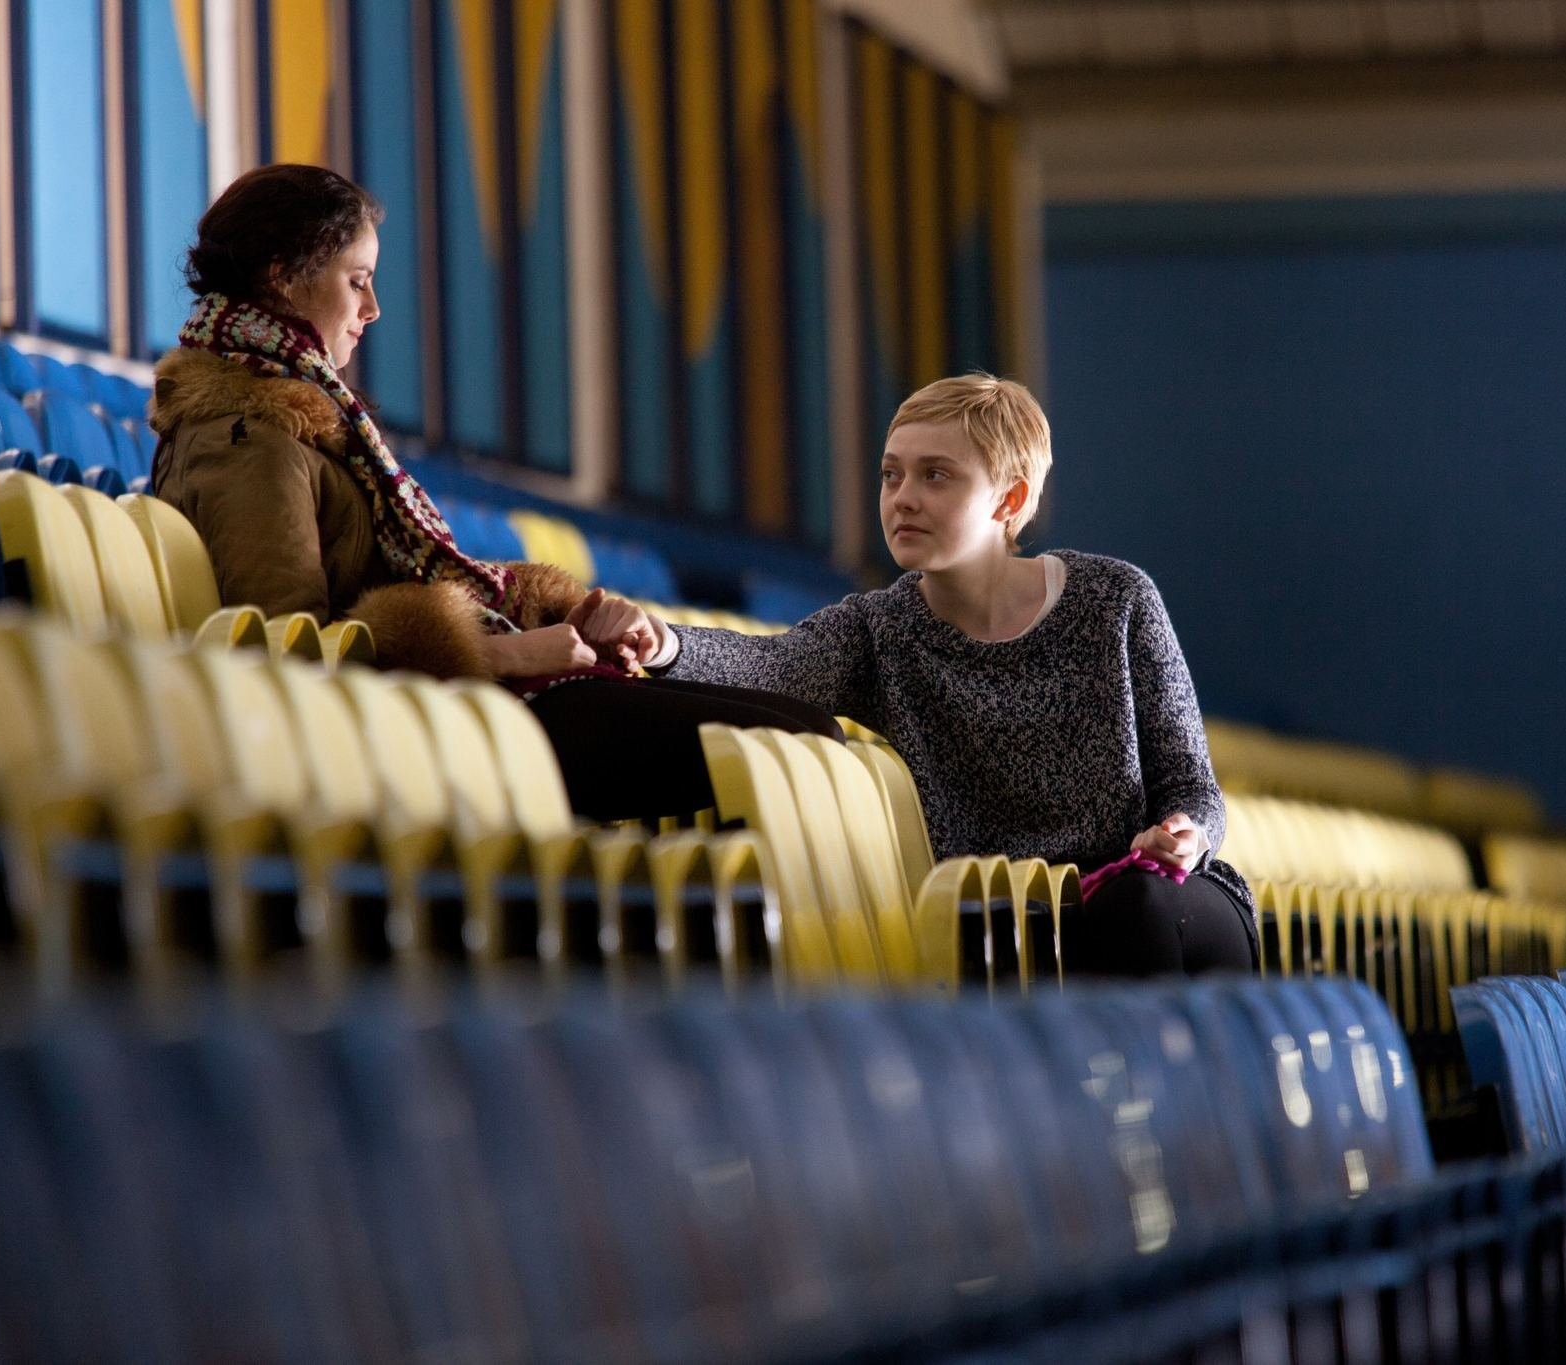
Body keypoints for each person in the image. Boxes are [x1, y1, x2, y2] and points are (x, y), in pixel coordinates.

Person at [147, 163, 838, 819]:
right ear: (284, 279)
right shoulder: (247, 434)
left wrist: (552, 617)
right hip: (432, 732)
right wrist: (506, 653)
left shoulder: (293, 411)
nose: (373, 308)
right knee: (795, 747)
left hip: (463, 708)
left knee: (805, 735)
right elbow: (286, 653)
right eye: (357, 280)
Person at [577, 375, 1257, 976]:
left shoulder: (1117, 598)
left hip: (1161, 897)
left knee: (1134, 910)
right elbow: (772, 666)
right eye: (891, 474)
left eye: (936, 475)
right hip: (1010, 925)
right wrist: (661, 641)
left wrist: (1184, 831)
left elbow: (1193, 785)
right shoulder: (879, 628)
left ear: (1008, 498)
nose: (903, 498)